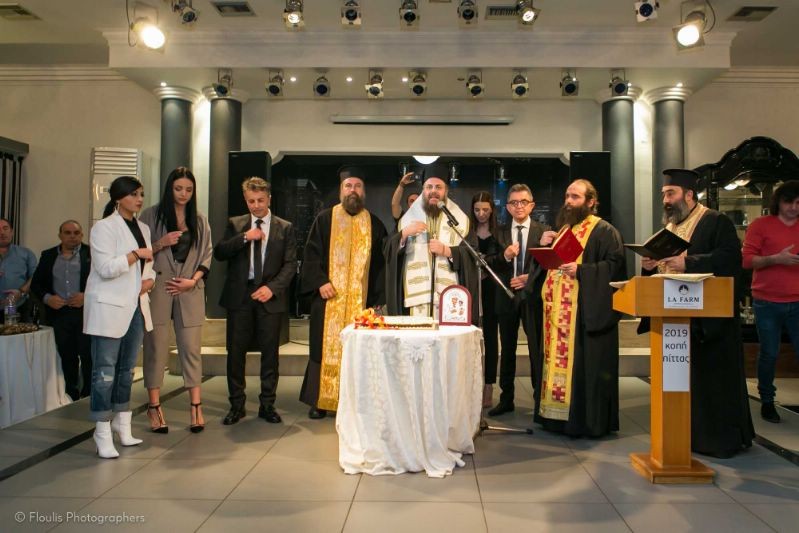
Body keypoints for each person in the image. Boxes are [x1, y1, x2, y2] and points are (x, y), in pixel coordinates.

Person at [641, 168, 754, 457]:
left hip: (710, 322)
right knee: (682, 383)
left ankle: (717, 441)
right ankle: (683, 436)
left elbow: (730, 258)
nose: (666, 201)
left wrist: (689, 262)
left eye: (671, 194)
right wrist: (649, 266)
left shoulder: (714, 221)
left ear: (689, 195)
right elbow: (663, 268)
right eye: (664, 195)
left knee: (711, 383)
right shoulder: (669, 229)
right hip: (675, 317)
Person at [537, 179, 626, 438]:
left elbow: (615, 268)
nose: (568, 201)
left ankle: (583, 422)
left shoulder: (604, 231)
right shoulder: (565, 230)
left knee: (583, 371)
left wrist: (582, 271)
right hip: (558, 314)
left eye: (575, 197)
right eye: (567, 196)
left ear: (591, 201)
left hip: (584, 315)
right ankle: (555, 418)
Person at [299, 166, 387, 419]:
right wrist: (320, 281)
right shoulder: (325, 219)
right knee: (322, 348)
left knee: (359, 353)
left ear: (364, 191)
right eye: (348, 186)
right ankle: (320, 401)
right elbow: (311, 254)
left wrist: (377, 301)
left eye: (357, 186)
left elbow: (380, 267)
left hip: (361, 304)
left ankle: (356, 403)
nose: (353, 191)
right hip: (328, 300)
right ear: (341, 190)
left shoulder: (374, 224)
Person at [214, 177, 297, 425]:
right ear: (245, 200)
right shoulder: (236, 224)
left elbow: (290, 265)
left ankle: (267, 405)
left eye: (261, 200)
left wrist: (272, 288)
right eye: (251, 201)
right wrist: (244, 237)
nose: (256, 205)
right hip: (240, 296)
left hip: (269, 296)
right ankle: (236, 406)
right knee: (235, 353)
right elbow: (220, 252)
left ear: (269, 199)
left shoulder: (285, 227)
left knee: (270, 354)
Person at [83, 176, 155, 458]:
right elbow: (105, 268)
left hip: (136, 304)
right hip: (109, 306)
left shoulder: (143, 228)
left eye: (141, 194)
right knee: (104, 372)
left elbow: (149, 266)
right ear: (118, 198)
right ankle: (101, 430)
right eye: (133, 194)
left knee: (127, 370)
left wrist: (150, 279)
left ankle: (122, 424)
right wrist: (135, 254)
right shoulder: (103, 228)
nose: (139, 199)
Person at [139, 167, 213, 433]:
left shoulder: (200, 219)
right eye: (178, 188)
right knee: (155, 348)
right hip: (158, 287)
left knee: (191, 349)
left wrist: (193, 280)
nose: (183, 194)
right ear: (169, 188)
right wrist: (161, 243)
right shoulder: (150, 215)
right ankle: (154, 406)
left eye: (189, 190)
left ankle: (196, 406)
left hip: (189, 289)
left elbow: (207, 255)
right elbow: (139, 252)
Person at [384, 163, 479, 322]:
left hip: (449, 299)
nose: (433, 191)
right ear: (423, 190)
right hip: (415, 298)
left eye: (438, 187)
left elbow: (472, 254)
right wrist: (404, 234)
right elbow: (388, 249)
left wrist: (447, 251)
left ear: (446, 191)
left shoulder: (460, 220)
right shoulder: (408, 218)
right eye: (429, 187)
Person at [487, 184, 550, 416]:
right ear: (507, 207)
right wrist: (505, 256)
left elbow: (550, 266)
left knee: (536, 349)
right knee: (508, 350)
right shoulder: (499, 232)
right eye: (514, 202)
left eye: (523, 202)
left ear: (532, 205)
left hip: (533, 298)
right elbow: (488, 263)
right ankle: (506, 399)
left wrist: (529, 278)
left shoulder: (544, 232)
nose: (519, 206)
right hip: (506, 298)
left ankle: (539, 399)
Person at [742, 180, 799, 423]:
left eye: (798, 203)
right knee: (769, 353)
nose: (794, 207)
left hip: (798, 300)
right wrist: (776, 259)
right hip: (767, 301)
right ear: (779, 202)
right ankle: (767, 400)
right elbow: (746, 260)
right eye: (789, 202)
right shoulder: (761, 225)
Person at [31, 220, 91, 401]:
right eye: (67, 233)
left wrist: (86, 296)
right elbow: (36, 284)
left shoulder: (91, 254)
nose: (72, 236)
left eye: (76, 233)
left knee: (88, 355)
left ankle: (88, 394)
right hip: (59, 314)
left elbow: (102, 282)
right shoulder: (48, 255)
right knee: (66, 355)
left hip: (85, 313)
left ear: (82, 235)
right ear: (60, 235)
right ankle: (70, 395)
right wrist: (48, 299)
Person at [470, 191, 500, 408]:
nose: (481, 214)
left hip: (492, 290)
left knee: (490, 338)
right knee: (471, 337)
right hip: (472, 288)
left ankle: (488, 385)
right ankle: (471, 384)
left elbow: (503, 261)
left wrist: (487, 264)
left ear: (492, 210)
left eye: (485, 210)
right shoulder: (467, 231)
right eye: (477, 210)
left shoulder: (499, 232)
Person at [0, 217, 37, 321]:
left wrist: (20, 292)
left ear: (12, 232)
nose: (2, 232)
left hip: (19, 307)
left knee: (16, 331)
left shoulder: (26, 253)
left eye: (5, 228)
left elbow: (35, 276)